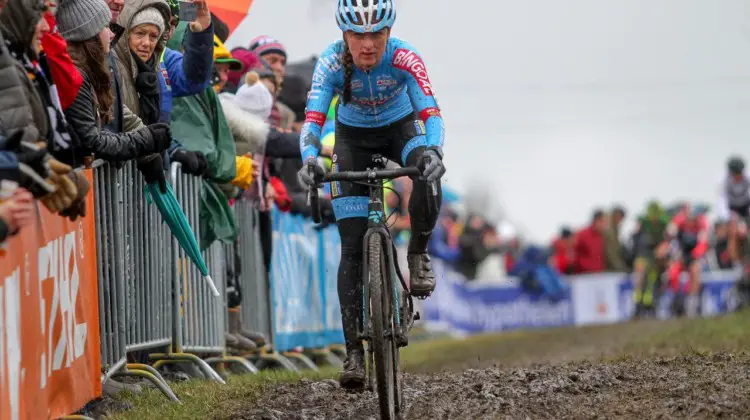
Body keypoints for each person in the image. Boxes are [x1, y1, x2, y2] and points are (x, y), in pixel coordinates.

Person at [296, 0, 446, 389]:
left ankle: (417, 253)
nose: (367, 45)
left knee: (428, 176)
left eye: (376, 34)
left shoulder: (405, 58)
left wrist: (434, 151)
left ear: (388, 33)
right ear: (344, 35)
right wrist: (311, 160)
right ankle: (354, 353)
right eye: (357, 35)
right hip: (352, 140)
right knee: (350, 246)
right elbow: (311, 120)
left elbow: (430, 112)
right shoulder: (330, 64)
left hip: (401, 128)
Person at [57, 0, 172, 166]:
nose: (111, 34)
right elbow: (93, 140)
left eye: (154, 36)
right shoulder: (76, 75)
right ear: (90, 33)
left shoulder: (90, 68)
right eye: (106, 27)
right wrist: (145, 139)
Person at [718, 156, 750, 265]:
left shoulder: (748, 178)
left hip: (746, 207)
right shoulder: (724, 181)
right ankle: (735, 261)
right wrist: (728, 217)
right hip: (732, 210)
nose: (737, 176)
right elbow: (722, 201)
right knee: (733, 232)